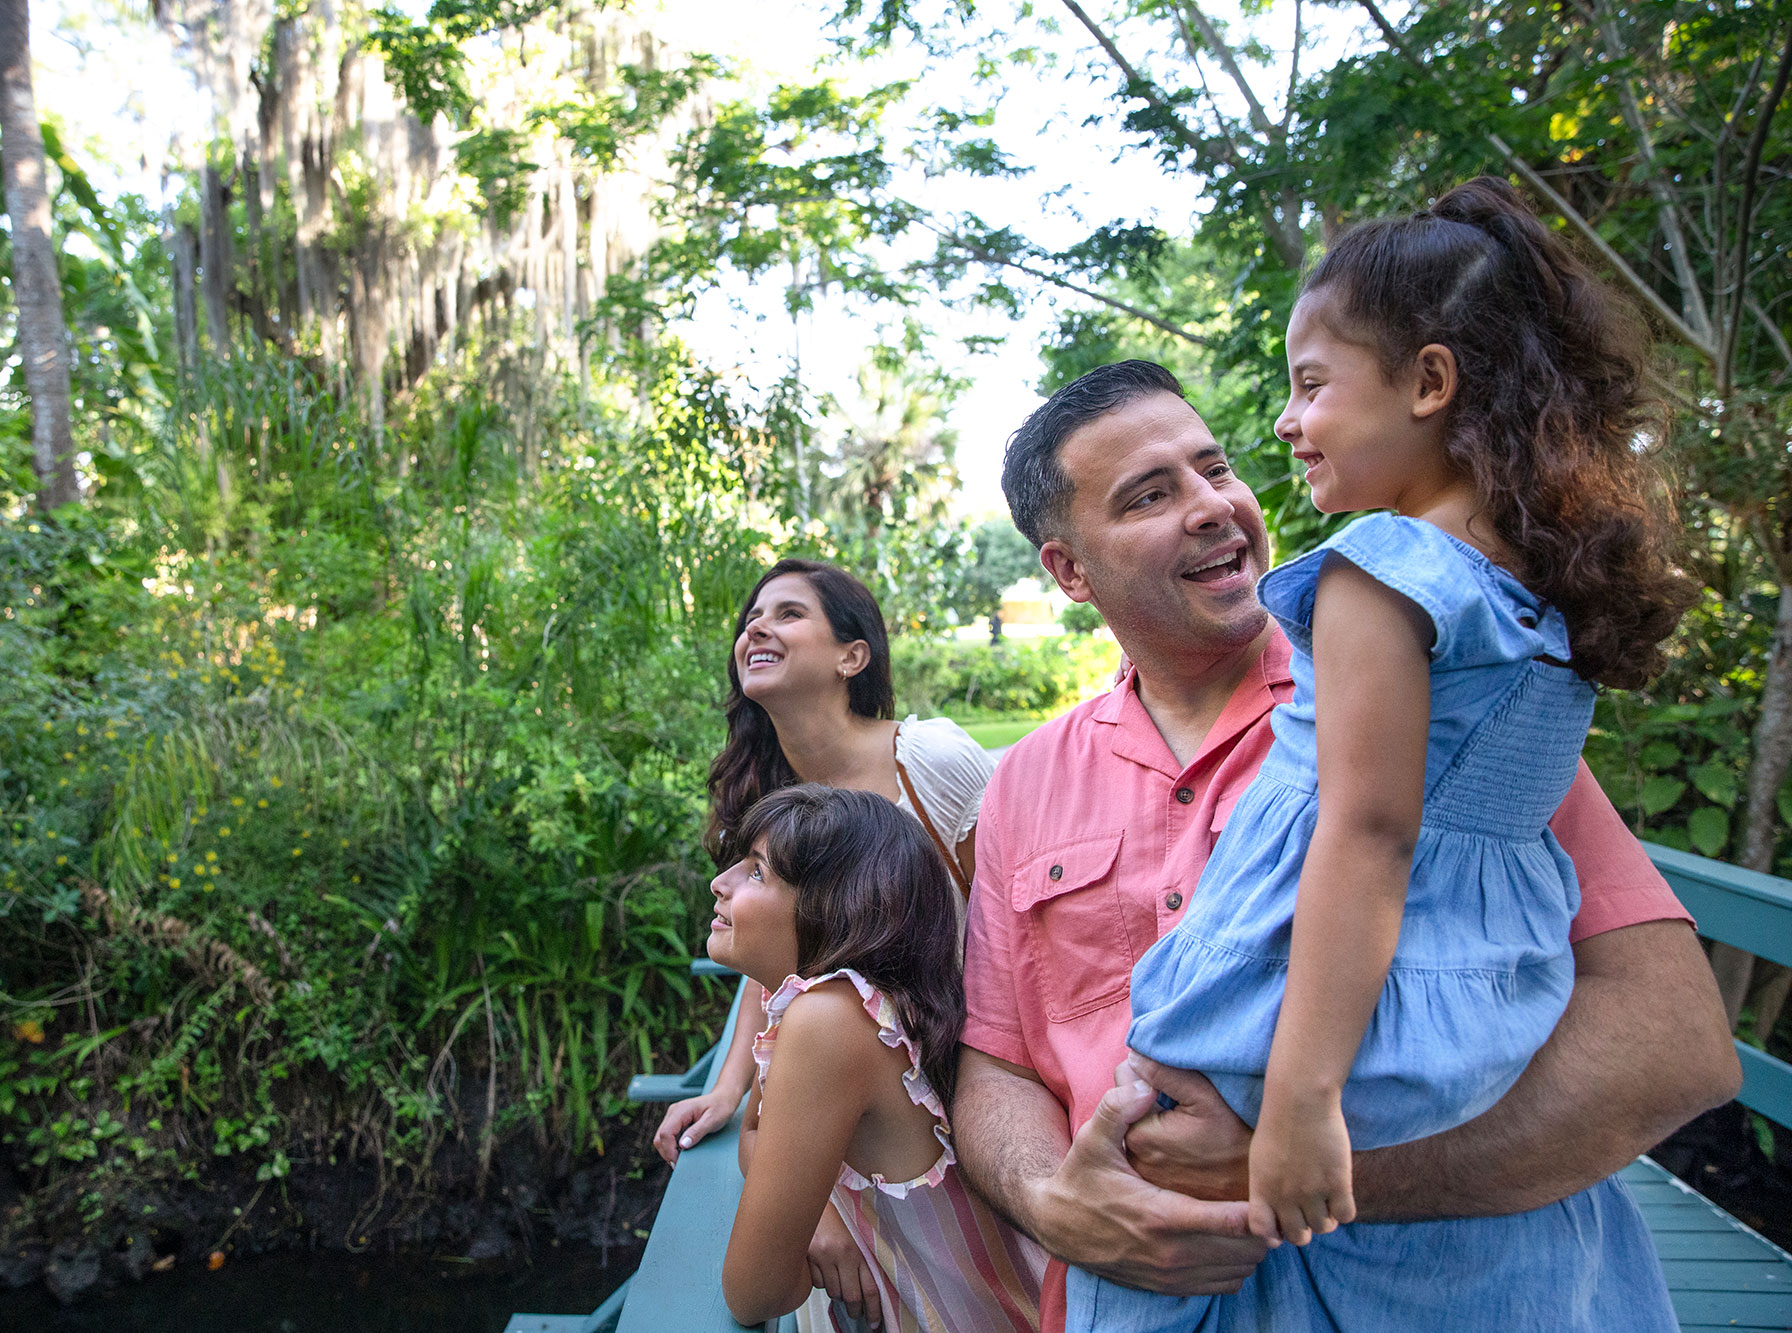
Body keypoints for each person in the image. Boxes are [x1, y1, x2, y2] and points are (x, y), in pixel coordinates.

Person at [952, 342, 1741, 1329]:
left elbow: (1674, 1045)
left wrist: (1311, 1168)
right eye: (1148, 494)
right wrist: (1051, 1202)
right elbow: (996, 1065)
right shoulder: (1026, 779)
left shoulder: (1432, 694)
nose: (1208, 503)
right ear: (1067, 568)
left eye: (1214, 467)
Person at [1104, 180, 1701, 1327]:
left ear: (1430, 384)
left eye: (1311, 384)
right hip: (1481, 990)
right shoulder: (1534, 587)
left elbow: (1368, 831)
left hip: (1336, 1002)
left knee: (1182, 1187)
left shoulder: (1379, 569)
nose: (1284, 421)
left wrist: (1299, 1098)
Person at [655, 558, 995, 1323]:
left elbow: (1015, 924)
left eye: (787, 612)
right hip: (836, 1103)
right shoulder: (772, 801)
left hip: (958, 1085)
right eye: (750, 617)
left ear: (853, 654)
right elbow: (779, 963)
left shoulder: (930, 761)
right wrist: (728, 1086)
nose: (756, 627)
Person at [713, 784, 1046, 1331]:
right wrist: (819, 1218)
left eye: (756, 872)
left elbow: (754, 1293)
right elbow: (754, 1132)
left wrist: (800, 1254)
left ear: (835, 906)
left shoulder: (829, 1023)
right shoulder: (862, 1008)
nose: (718, 884)